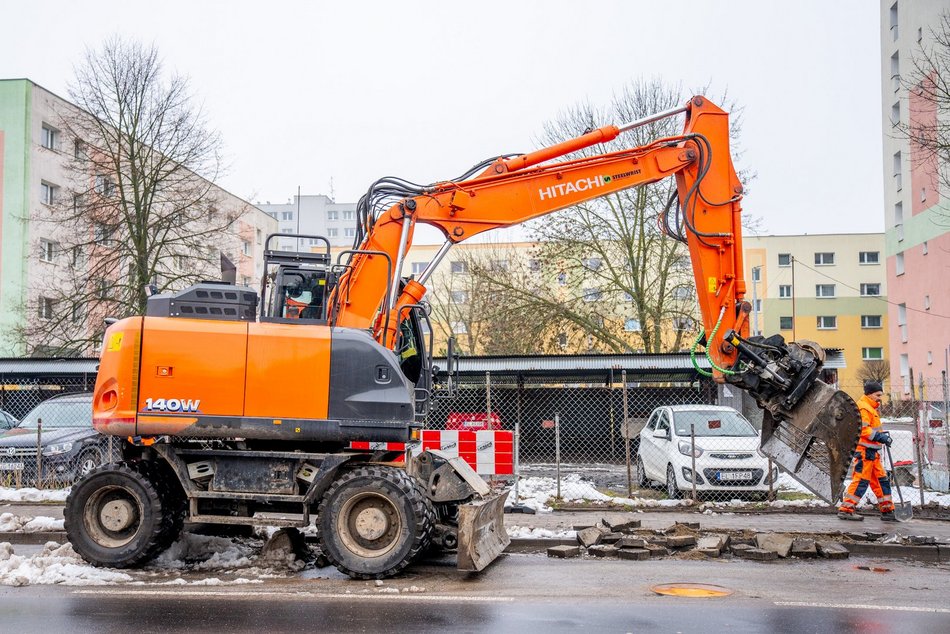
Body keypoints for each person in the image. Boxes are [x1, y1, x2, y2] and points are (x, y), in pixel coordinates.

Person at [838, 381, 896, 522]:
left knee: (882, 480)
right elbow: (864, 429)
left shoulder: (870, 407)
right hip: (865, 452)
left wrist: (880, 438)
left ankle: (887, 510)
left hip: (872, 452)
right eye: (877, 395)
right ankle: (846, 509)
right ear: (869, 394)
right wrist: (880, 437)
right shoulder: (864, 408)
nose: (879, 398)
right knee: (861, 481)